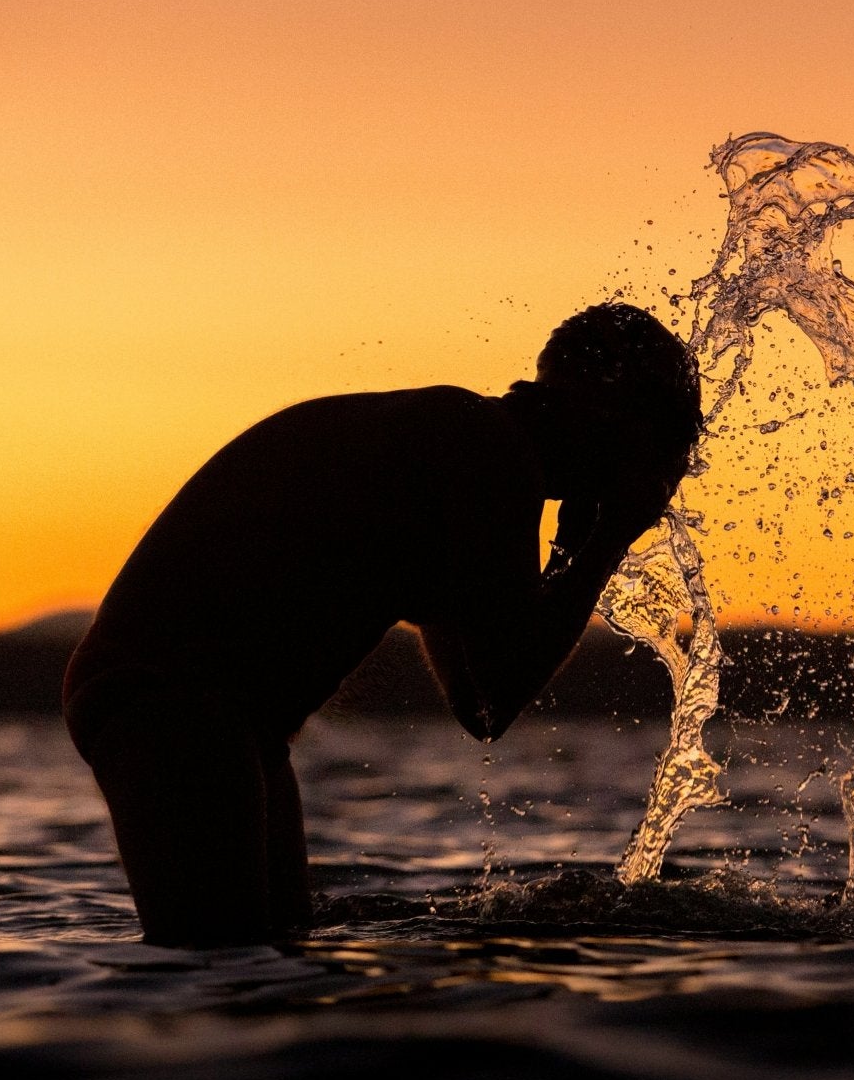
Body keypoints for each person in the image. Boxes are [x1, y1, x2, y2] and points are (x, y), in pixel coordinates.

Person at [63, 303, 701, 948]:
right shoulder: (483, 451)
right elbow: (504, 688)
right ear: (615, 424)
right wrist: (610, 536)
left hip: (217, 719)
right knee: (219, 968)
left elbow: (478, 704)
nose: (655, 489)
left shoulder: (465, 447)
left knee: (268, 963)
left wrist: (573, 550)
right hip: (173, 706)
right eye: (658, 463)